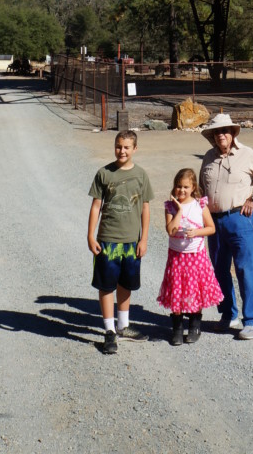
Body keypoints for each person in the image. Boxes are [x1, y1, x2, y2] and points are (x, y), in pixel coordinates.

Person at [199, 112, 253, 340]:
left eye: (225, 130)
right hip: (214, 223)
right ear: (212, 136)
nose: (221, 135)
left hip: (240, 220)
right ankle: (228, 315)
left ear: (233, 133)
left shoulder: (247, 155)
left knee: (245, 270)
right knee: (219, 270)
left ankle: (252, 321)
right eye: (216, 132)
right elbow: (201, 190)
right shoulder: (208, 158)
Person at [87, 130, 154, 354]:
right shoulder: (104, 173)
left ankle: (123, 325)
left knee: (126, 284)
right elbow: (96, 206)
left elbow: (145, 208)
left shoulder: (141, 175)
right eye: (118, 146)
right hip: (108, 241)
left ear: (135, 149)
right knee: (106, 285)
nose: (122, 151)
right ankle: (109, 331)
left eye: (126, 147)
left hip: (131, 242)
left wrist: (143, 238)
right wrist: (90, 235)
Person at [157, 167, 224, 346]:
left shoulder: (199, 204)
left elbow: (211, 228)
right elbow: (171, 231)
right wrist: (178, 211)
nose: (182, 190)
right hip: (177, 256)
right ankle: (177, 328)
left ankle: (195, 325)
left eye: (186, 187)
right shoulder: (170, 206)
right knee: (177, 290)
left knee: (195, 289)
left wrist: (196, 232)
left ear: (193, 187)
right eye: (178, 186)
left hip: (196, 255)